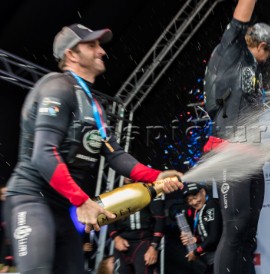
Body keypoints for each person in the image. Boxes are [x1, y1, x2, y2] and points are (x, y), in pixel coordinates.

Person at [4, 24, 183, 274]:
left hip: (64, 207)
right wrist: (82, 201)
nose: (102, 51)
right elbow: (44, 153)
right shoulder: (57, 87)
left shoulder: (94, 105)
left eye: (99, 45)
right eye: (92, 45)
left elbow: (115, 154)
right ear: (71, 55)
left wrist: (156, 176)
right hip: (32, 200)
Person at [202, 0, 270, 273]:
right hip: (229, 149)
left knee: (248, 227)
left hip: (251, 153)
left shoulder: (252, 68)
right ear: (262, 46)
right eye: (268, 53)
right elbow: (239, 20)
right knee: (235, 225)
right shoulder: (230, 51)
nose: (268, 59)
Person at [109, 178, 166, 274]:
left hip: (144, 242)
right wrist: (116, 238)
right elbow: (108, 218)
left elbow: (160, 219)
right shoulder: (115, 192)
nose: (127, 174)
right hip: (123, 242)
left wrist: (154, 247)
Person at [180, 183, 222, 274]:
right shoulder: (200, 210)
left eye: (195, 197)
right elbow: (208, 233)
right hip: (213, 261)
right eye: (189, 200)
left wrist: (196, 252)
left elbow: (214, 237)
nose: (193, 202)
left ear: (203, 192)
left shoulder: (211, 205)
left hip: (221, 259)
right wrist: (195, 239)